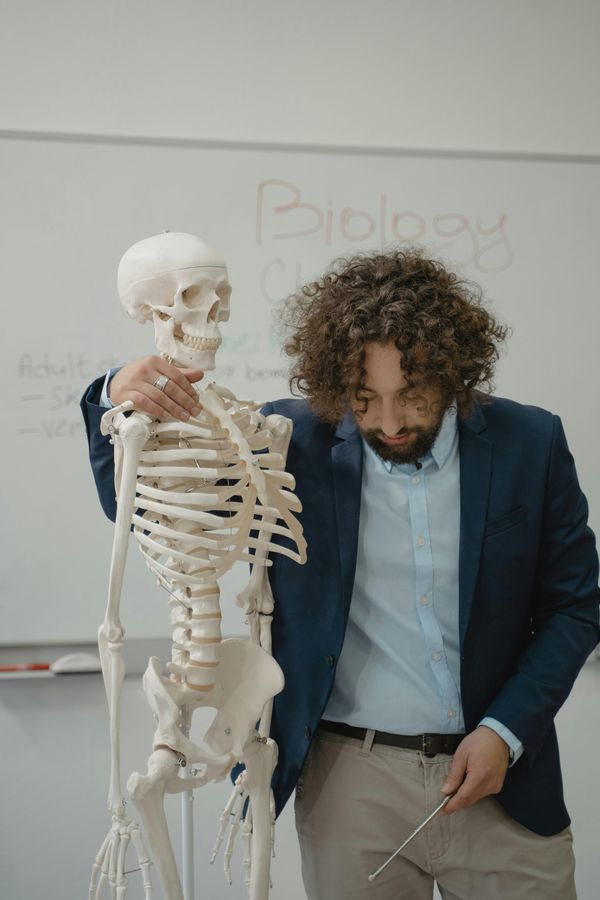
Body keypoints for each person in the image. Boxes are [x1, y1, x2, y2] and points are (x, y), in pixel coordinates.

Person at [81, 247, 600, 899]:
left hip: (503, 786)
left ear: (454, 372)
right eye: (365, 398)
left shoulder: (530, 442)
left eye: (412, 396)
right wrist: (112, 394)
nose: (388, 421)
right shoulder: (290, 438)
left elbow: (575, 609)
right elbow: (130, 503)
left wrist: (506, 731)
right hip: (349, 784)